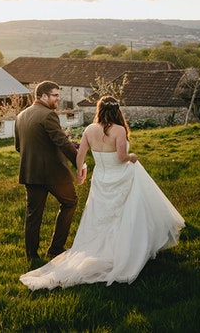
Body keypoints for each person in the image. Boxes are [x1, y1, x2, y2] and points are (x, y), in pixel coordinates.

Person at [20, 95, 185, 289]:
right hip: (120, 177)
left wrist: (80, 173)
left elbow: (80, 156)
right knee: (124, 213)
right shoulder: (119, 130)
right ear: (117, 111)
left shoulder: (89, 130)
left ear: (99, 110)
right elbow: (122, 156)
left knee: (101, 215)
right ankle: (125, 249)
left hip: (100, 180)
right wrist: (133, 156)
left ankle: (101, 249)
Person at [15, 81, 85, 265]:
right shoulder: (48, 115)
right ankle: (55, 249)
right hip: (53, 173)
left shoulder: (20, 116)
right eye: (55, 95)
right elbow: (62, 143)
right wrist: (80, 163)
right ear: (43, 96)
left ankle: (32, 256)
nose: (58, 99)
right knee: (70, 202)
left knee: (33, 215)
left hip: (30, 172)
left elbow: (18, 147)